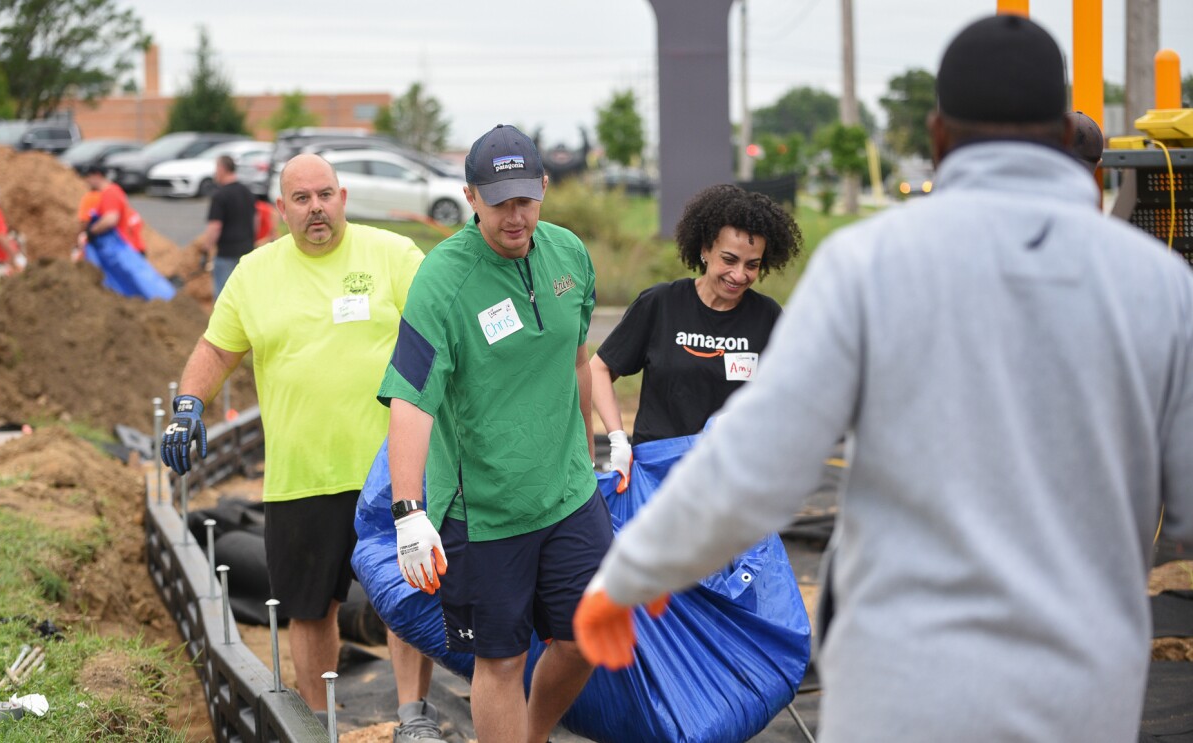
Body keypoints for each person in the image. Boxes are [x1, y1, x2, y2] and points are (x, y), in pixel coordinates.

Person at [574, 14, 1193, 743]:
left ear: (935, 136)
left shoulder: (871, 266)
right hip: (1081, 682)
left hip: (901, 676)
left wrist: (630, 575)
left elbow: (755, 461)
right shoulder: (1159, 287)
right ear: (1069, 138)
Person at [160, 153, 445, 743]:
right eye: (301, 198)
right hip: (301, 474)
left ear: (342, 197)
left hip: (393, 469)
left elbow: (445, 329)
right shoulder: (255, 273)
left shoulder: (392, 256)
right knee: (309, 606)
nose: (316, 207)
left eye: (325, 195)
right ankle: (318, 725)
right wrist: (188, 405)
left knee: (407, 590)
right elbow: (216, 350)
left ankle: (415, 718)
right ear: (281, 207)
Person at [378, 124, 606, 743]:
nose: (515, 215)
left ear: (544, 190)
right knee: (500, 662)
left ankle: (530, 735)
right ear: (470, 195)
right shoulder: (444, 280)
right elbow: (411, 400)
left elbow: (577, 360)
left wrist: (588, 456)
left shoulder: (569, 256)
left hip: (568, 495)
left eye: (526, 199)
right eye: (499, 200)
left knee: (586, 637)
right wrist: (408, 513)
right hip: (486, 511)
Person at [590, 184, 802, 489]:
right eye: (729, 260)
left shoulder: (766, 317)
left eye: (752, 265)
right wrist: (617, 439)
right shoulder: (661, 304)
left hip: (732, 479)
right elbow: (599, 369)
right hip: (658, 479)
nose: (739, 275)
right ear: (705, 249)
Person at [201, 155, 256, 297]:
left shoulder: (220, 195)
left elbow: (215, 226)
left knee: (223, 297)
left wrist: (206, 250)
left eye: (216, 168)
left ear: (222, 169)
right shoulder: (247, 192)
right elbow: (257, 218)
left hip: (226, 254)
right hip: (248, 251)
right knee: (244, 295)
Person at [82, 164, 146, 252]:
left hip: (127, 249)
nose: (86, 181)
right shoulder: (113, 190)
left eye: (88, 177)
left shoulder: (110, 193)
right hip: (128, 248)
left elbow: (110, 219)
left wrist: (91, 232)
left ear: (97, 175)